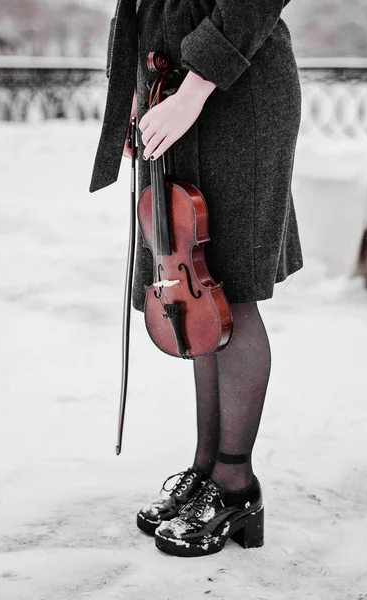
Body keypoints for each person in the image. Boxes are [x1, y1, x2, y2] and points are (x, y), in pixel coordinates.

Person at [90, 0, 303, 557]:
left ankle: (236, 485)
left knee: (231, 287)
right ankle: (206, 468)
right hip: (165, 83)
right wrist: (139, 85)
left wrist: (191, 94)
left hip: (235, 93)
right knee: (196, 284)